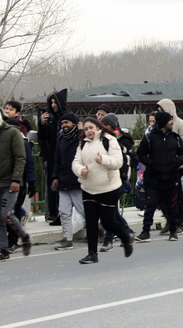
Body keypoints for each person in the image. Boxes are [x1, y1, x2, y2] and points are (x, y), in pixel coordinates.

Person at [71, 117, 134, 264]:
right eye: (86, 129)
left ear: (97, 127)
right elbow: (75, 162)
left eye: (91, 128)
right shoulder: (82, 144)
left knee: (107, 222)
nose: (89, 131)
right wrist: (81, 170)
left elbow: (118, 162)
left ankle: (126, 238)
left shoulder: (109, 140)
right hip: (88, 188)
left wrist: (103, 160)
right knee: (91, 222)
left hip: (108, 188)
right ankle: (92, 254)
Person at [0, 105, 32, 262]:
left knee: (6, 214)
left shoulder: (12, 133)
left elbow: (20, 158)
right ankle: (3, 250)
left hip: (10, 183)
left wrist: (16, 179)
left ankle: (24, 236)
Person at [136, 111, 183, 242]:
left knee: (172, 206)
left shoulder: (175, 138)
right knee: (150, 205)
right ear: (163, 122)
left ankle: (173, 231)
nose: (172, 122)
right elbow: (141, 153)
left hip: (172, 178)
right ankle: (145, 232)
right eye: (169, 120)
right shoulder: (150, 137)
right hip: (154, 178)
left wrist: (176, 163)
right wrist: (151, 164)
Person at [98, 113, 135, 252]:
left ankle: (108, 241)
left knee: (110, 213)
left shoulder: (122, 139)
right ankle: (128, 232)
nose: (103, 128)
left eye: (106, 125)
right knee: (112, 213)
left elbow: (130, 159)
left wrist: (125, 176)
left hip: (117, 181)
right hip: (104, 180)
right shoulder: (100, 139)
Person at [156, 99, 183, 233]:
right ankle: (169, 220)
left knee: (178, 197)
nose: (159, 113)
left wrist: (181, 164)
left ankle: (178, 223)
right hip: (162, 169)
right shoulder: (160, 127)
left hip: (178, 167)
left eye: (161, 110)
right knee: (162, 196)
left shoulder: (181, 125)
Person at [51, 113, 83, 251]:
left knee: (84, 211)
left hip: (77, 182)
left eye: (67, 123)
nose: (64, 125)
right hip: (63, 182)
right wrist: (55, 177)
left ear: (74, 124)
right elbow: (57, 160)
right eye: (62, 123)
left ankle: (100, 231)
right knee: (64, 212)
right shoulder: (61, 139)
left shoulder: (82, 138)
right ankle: (67, 239)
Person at [4, 119, 35, 254]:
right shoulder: (2, 143)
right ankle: (7, 241)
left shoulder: (23, 143)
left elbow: (29, 164)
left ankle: (13, 241)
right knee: (4, 213)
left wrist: (31, 182)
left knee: (12, 212)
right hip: (4, 183)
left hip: (19, 183)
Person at [37, 89, 67, 225]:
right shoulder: (52, 119)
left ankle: (64, 216)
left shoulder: (67, 117)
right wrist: (42, 124)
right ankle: (55, 214)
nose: (53, 105)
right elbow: (44, 138)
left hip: (65, 158)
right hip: (53, 157)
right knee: (53, 187)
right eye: (52, 102)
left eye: (56, 102)